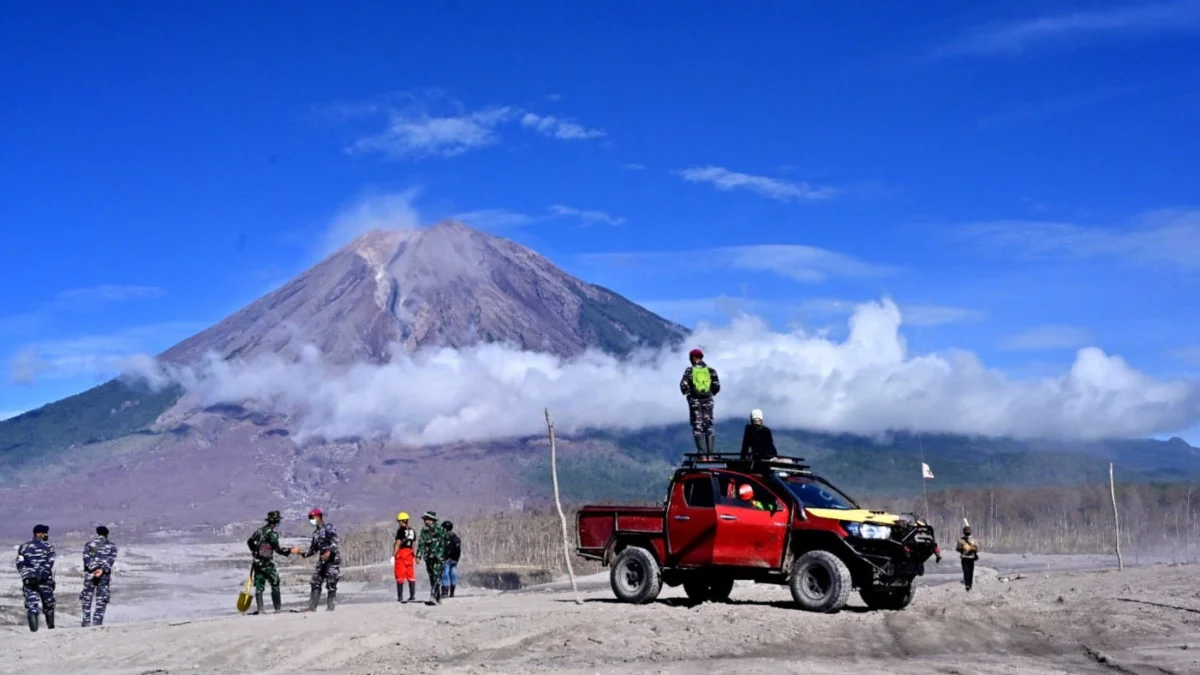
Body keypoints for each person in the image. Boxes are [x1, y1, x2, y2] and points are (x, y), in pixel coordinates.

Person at [294, 508, 341, 611]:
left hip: (332, 560)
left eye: (313, 518)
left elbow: (335, 541)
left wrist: (329, 551)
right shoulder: (316, 533)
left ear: (319, 517)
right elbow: (313, 549)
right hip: (322, 561)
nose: (311, 520)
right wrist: (301, 553)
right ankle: (312, 607)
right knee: (315, 581)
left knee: (331, 583)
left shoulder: (328, 528)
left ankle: (330, 607)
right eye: (310, 518)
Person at [246, 511, 292, 614]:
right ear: (276, 521)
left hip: (257, 563)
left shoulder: (259, 531)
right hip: (267, 563)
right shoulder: (272, 533)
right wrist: (290, 551)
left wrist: (255, 552)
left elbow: (249, 542)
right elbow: (277, 549)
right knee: (275, 583)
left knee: (259, 586)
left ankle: (261, 609)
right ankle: (277, 609)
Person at [680, 348, 721, 457]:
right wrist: (708, 393)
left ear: (693, 358)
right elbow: (716, 387)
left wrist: (692, 393)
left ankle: (702, 455)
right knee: (709, 426)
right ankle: (710, 455)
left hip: (695, 403)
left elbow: (683, 387)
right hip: (708, 401)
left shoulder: (689, 371)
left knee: (698, 427)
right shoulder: (711, 371)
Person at [15, 524, 56, 632]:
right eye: (45, 533)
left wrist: (27, 576)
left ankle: (34, 633)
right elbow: (49, 564)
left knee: (32, 606)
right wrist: (39, 575)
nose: (47, 535)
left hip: (29, 582)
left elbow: (19, 563)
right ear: (41, 534)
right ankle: (51, 630)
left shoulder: (23, 547)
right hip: (44, 582)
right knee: (49, 606)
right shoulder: (48, 547)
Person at [80, 525, 118, 627]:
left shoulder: (89, 545)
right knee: (101, 600)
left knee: (86, 599)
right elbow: (110, 560)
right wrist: (101, 569)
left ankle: (86, 622)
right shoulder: (112, 546)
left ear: (97, 533)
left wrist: (94, 569)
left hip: (90, 575)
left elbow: (86, 559)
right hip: (103, 575)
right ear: (107, 534)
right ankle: (97, 622)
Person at [415, 511, 448, 605]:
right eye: (424, 519)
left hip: (438, 557)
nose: (424, 521)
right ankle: (437, 597)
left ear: (431, 520)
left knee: (437, 576)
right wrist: (418, 556)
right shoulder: (424, 531)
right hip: (428, 557)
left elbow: (445, 540)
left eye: (426, 519)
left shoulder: (440, 529)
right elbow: (421, 544)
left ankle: (433, 596)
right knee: (432, 577)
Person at [393, 512, 417, 604]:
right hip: (410, 555)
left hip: (401, 555)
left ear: (403, 521)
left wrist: (393, 555)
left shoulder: (400, 531)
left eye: (399, 521)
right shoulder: (412, 531)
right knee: (410, 575)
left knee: (399, 576)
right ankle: (412, 596)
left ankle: (400, 597)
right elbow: (413, 544)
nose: (399, 523)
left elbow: (398, 543)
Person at [955, 526, 980, 591]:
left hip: (965, 558)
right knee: (970, 572)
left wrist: (962, 549)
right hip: (970, 558)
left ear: (964, 532)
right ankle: (969, 585)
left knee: (966, 572)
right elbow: (977, 549)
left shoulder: (961, 540)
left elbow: (957, 549)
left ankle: (968, 585)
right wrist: (973, 549)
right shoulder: (974, 540)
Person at [441, 520, 461, 599]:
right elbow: (458, 549)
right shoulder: (456, 537)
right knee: (453, 575)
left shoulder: (444, 537)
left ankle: (445, 592)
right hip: (455, 559)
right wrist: (457, 559)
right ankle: (452, 592)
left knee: (444, 575)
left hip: (446, 559)